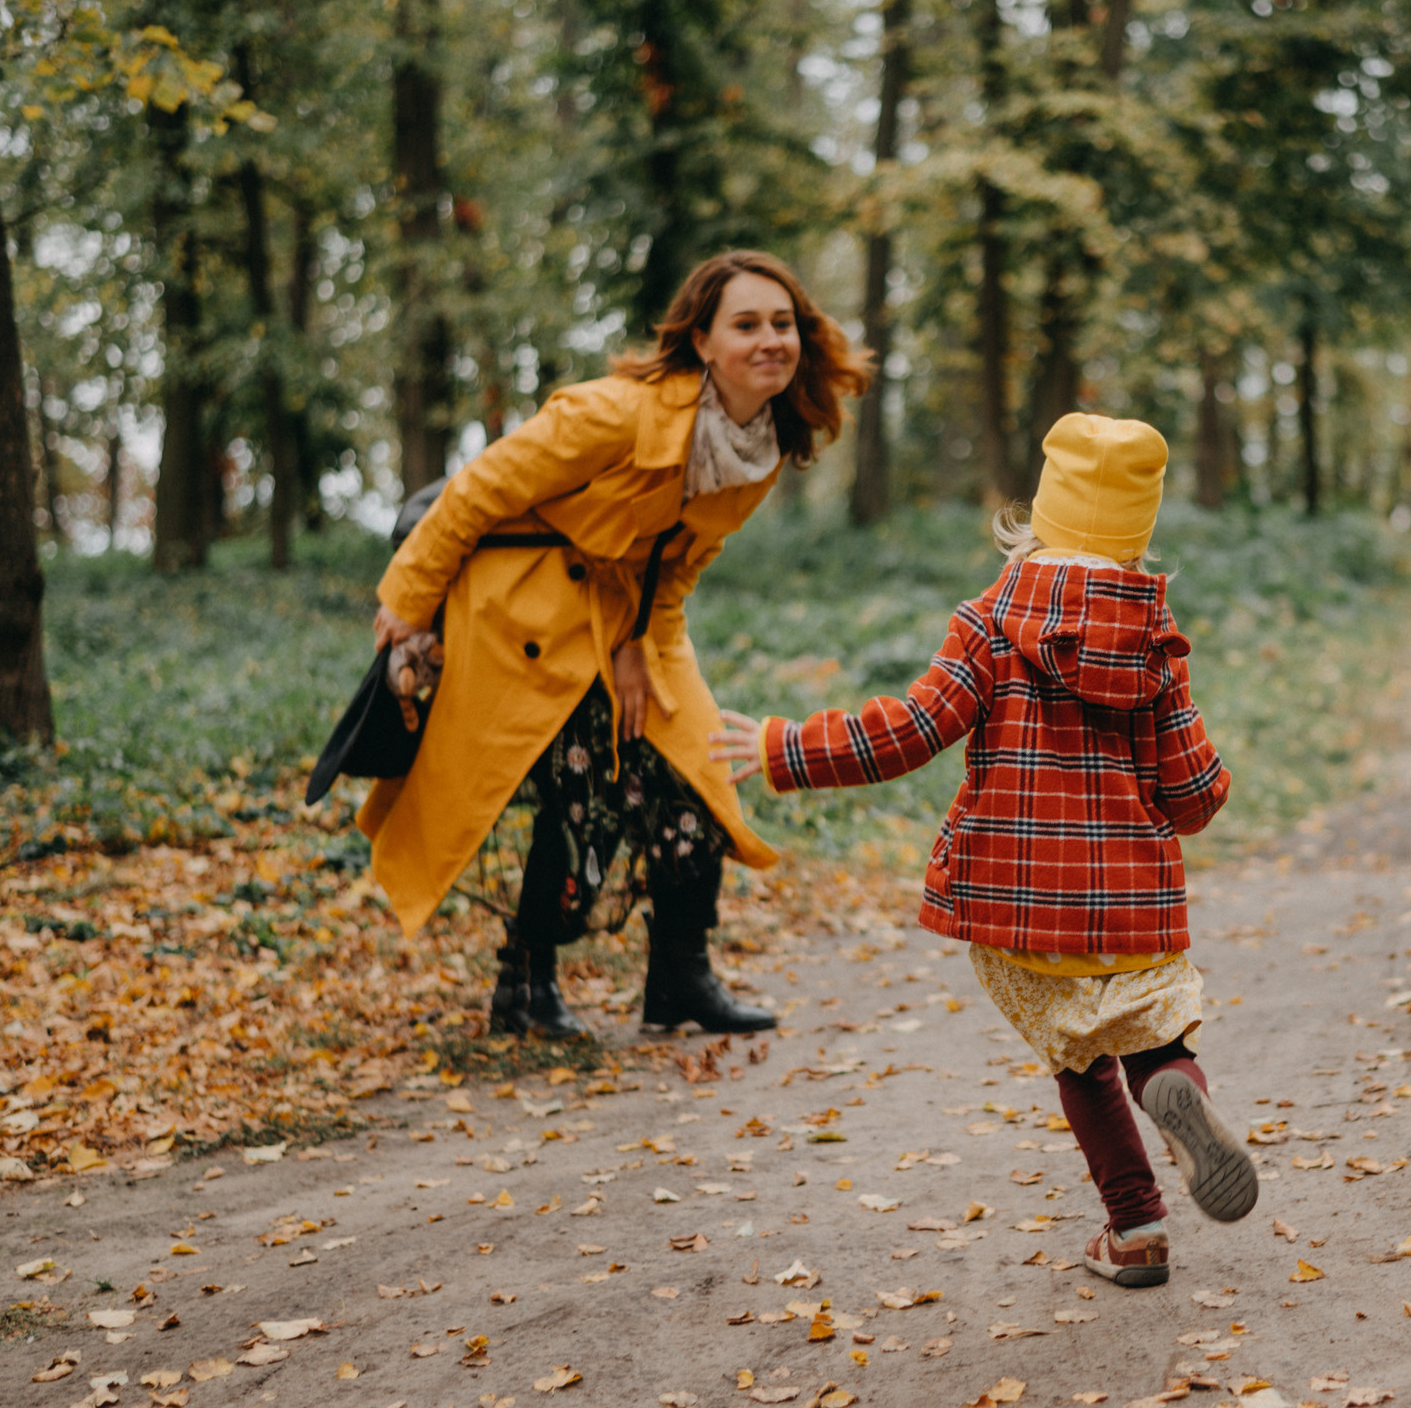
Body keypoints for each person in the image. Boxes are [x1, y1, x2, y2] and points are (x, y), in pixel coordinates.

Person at [711, 414, 1257, 1287]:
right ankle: (1177, 1088)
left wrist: (788, 747)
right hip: (1132, 899)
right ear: (1137, 534)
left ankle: (1138, 1226)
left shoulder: (991, 622)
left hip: (1023, 899)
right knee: (1152, 1031)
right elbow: (1192, 797)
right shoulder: (1155, 642)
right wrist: (1210, 780)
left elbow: (912, 727)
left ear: (1041, 515)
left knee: (1080, 1058)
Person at [360, 250, 870, 1039]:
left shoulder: (760, 441)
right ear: (701, 341)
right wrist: (410, 597)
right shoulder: (615, 412)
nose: (771, 340)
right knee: (586, 788)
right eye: (746, 324)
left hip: (629, 620)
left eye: (783, 323)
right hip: (528, 613)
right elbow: (479, 487)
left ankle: (679, 978)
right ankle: (525, 983)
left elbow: (676, 563)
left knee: (699, 774)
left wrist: (638, 644)